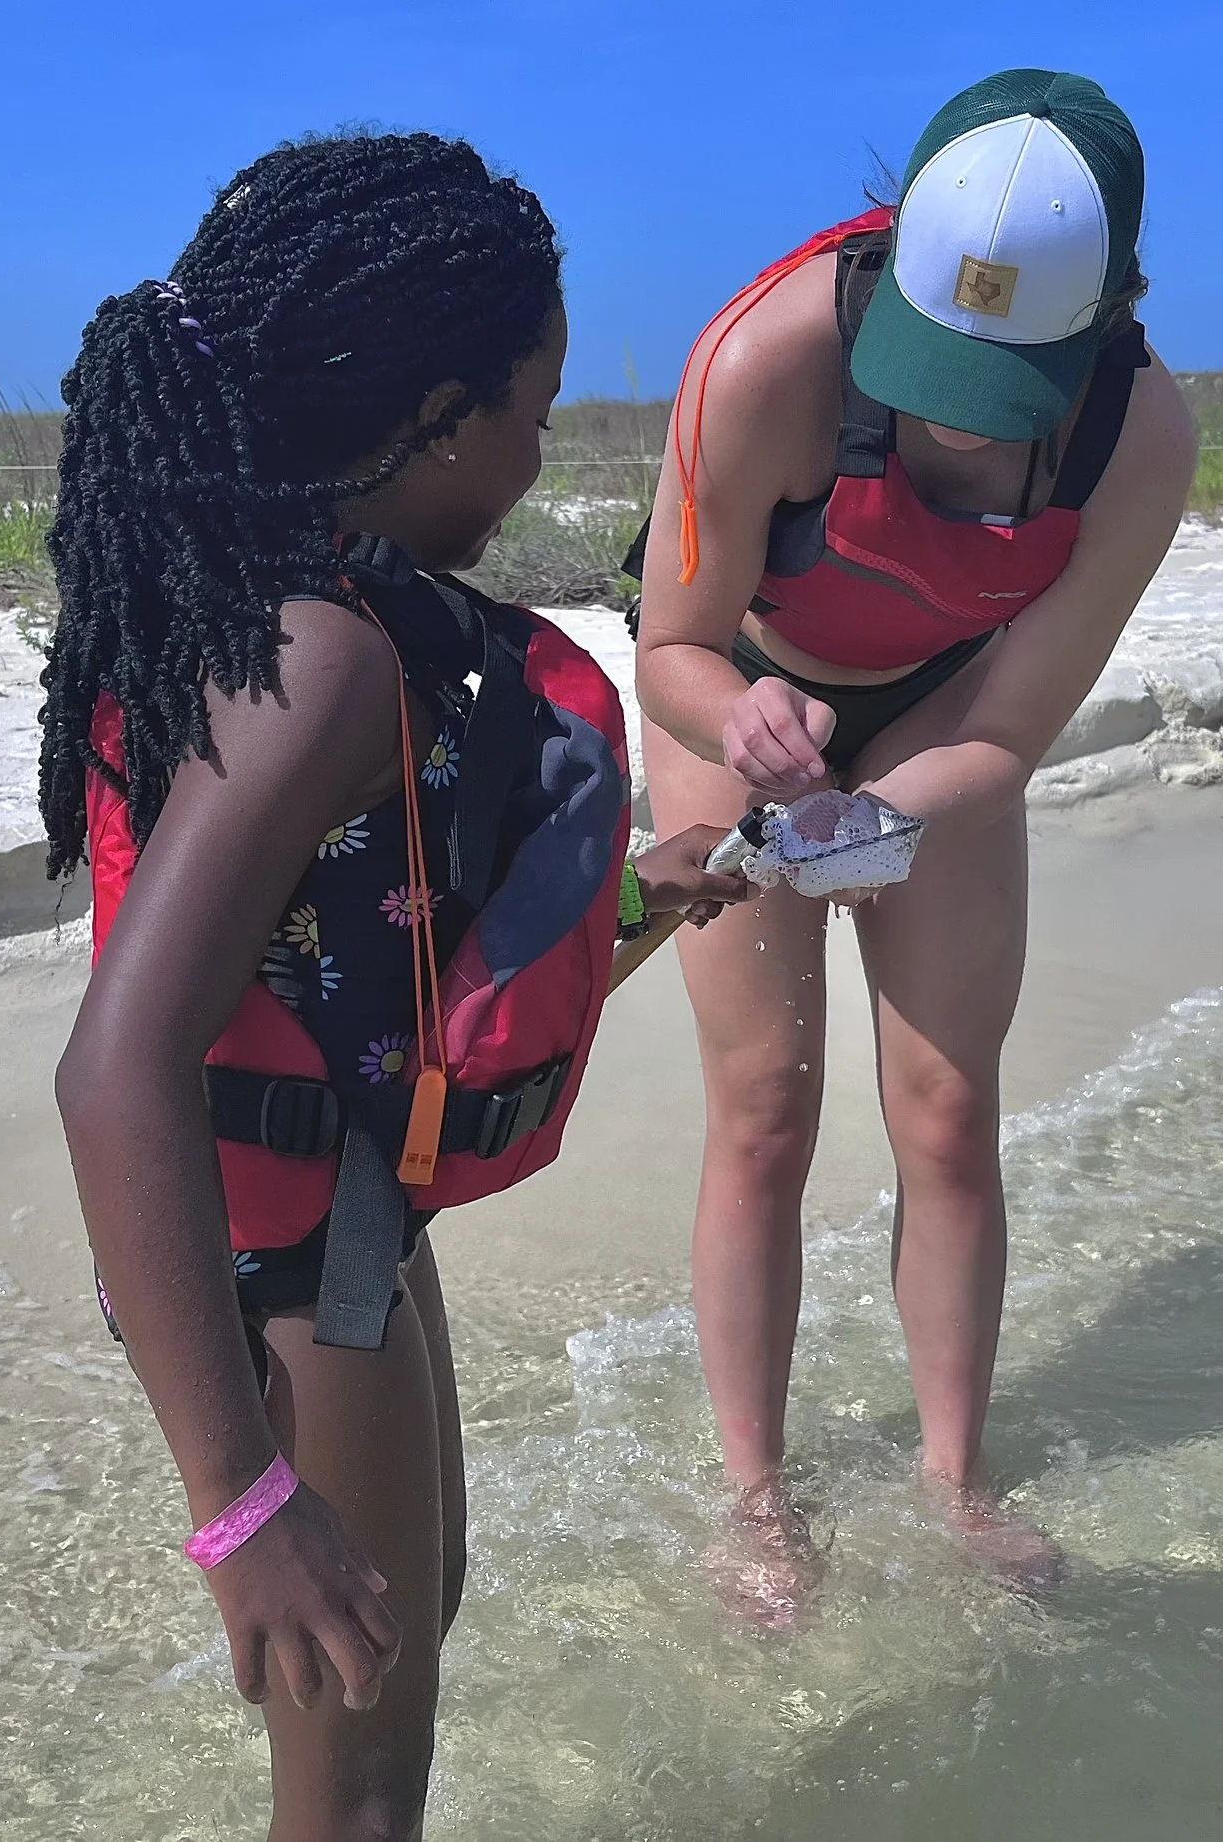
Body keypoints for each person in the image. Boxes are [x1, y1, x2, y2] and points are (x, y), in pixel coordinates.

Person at [40, 131, 748, 1841]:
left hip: (337, 1221)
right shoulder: (328, 656)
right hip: (278, 1264)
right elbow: (113, 1067)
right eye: (533, 405)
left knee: (414, 1607)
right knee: (359, 1786)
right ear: (433, 417)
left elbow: (364, 959)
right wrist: (239, 1496)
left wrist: (639, 903)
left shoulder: (312, 608)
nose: (539, 446)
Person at [630, 70, 1199, 1620]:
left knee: (946, 1110)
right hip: (739, 690)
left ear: (1109, 314)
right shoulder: (759, 357)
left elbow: (1008, 729)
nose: (956, 423)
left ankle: (954, 1483)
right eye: (933, 372)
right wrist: (745, 724)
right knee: (766, 1103)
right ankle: (758, 1502)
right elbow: (665, 639)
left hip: (946, 720)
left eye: (1002, 394)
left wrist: (876, 821)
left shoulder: (1140, 437)